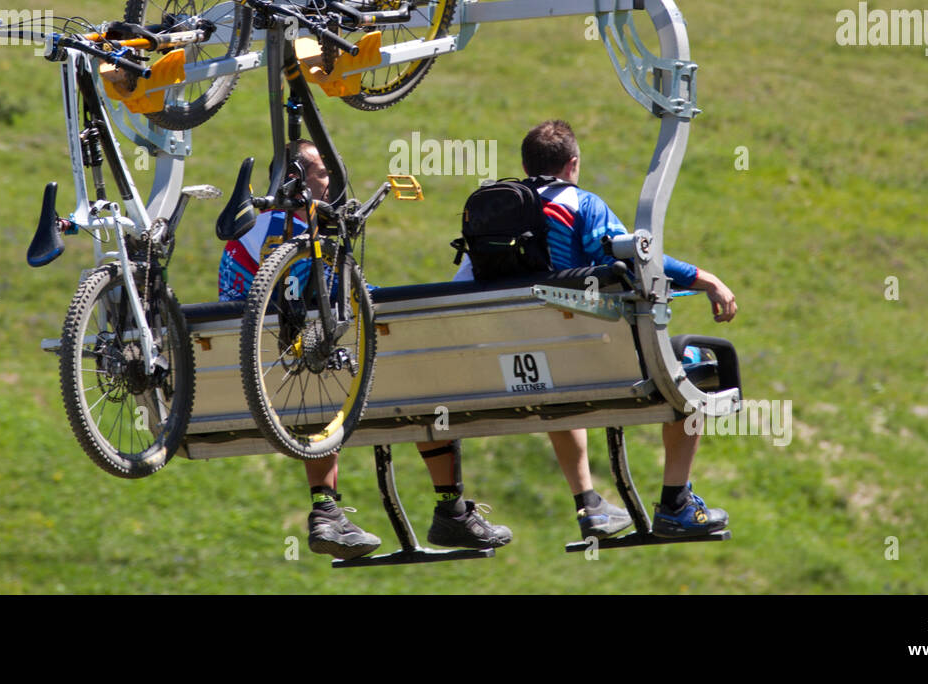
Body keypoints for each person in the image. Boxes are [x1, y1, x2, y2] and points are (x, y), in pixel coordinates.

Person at [220, 139, 512, 559]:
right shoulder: (297, 235)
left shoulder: (249, 229)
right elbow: (342, 295)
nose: (332, 182)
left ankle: (327, 510)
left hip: (242, 378)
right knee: (421, 380)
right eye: (324, 173)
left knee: (328, 369)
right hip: (294, 373)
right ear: (294, 180)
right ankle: (451, 507)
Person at [454, 120, 738, 540]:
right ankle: (676, 504)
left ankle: (588, 504)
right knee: (697, 364)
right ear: (572, 164)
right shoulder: (581, 203)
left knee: (551, 368)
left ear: (524, 164)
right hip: (598, 364)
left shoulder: (490, 213)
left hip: (520, 370)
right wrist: (706, 279)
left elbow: (463, 284)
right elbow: (638, 258)